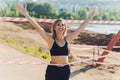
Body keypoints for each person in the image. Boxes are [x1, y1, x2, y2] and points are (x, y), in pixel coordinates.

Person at [16, 3, 98, 80]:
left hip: (65, 71)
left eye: (63, 25)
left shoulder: (67, 39)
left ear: (65, 28)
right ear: (54, 27)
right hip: (53, 71)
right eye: (58, 24)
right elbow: (39, 28)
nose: (61, 26)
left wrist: (91, 16)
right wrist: (26, 14)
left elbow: (80, 29)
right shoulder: (51, 40)